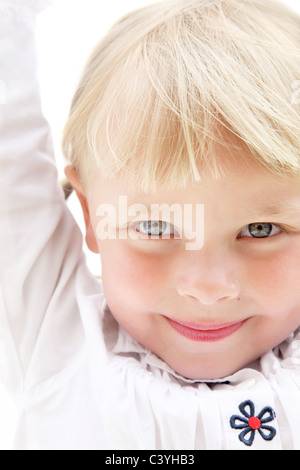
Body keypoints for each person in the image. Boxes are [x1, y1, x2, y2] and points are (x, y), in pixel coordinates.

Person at [1, 0, 300, 451]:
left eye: (261, 229)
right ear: (91, 216)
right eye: (156, 227)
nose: (208, 288)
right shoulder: (54, 338)